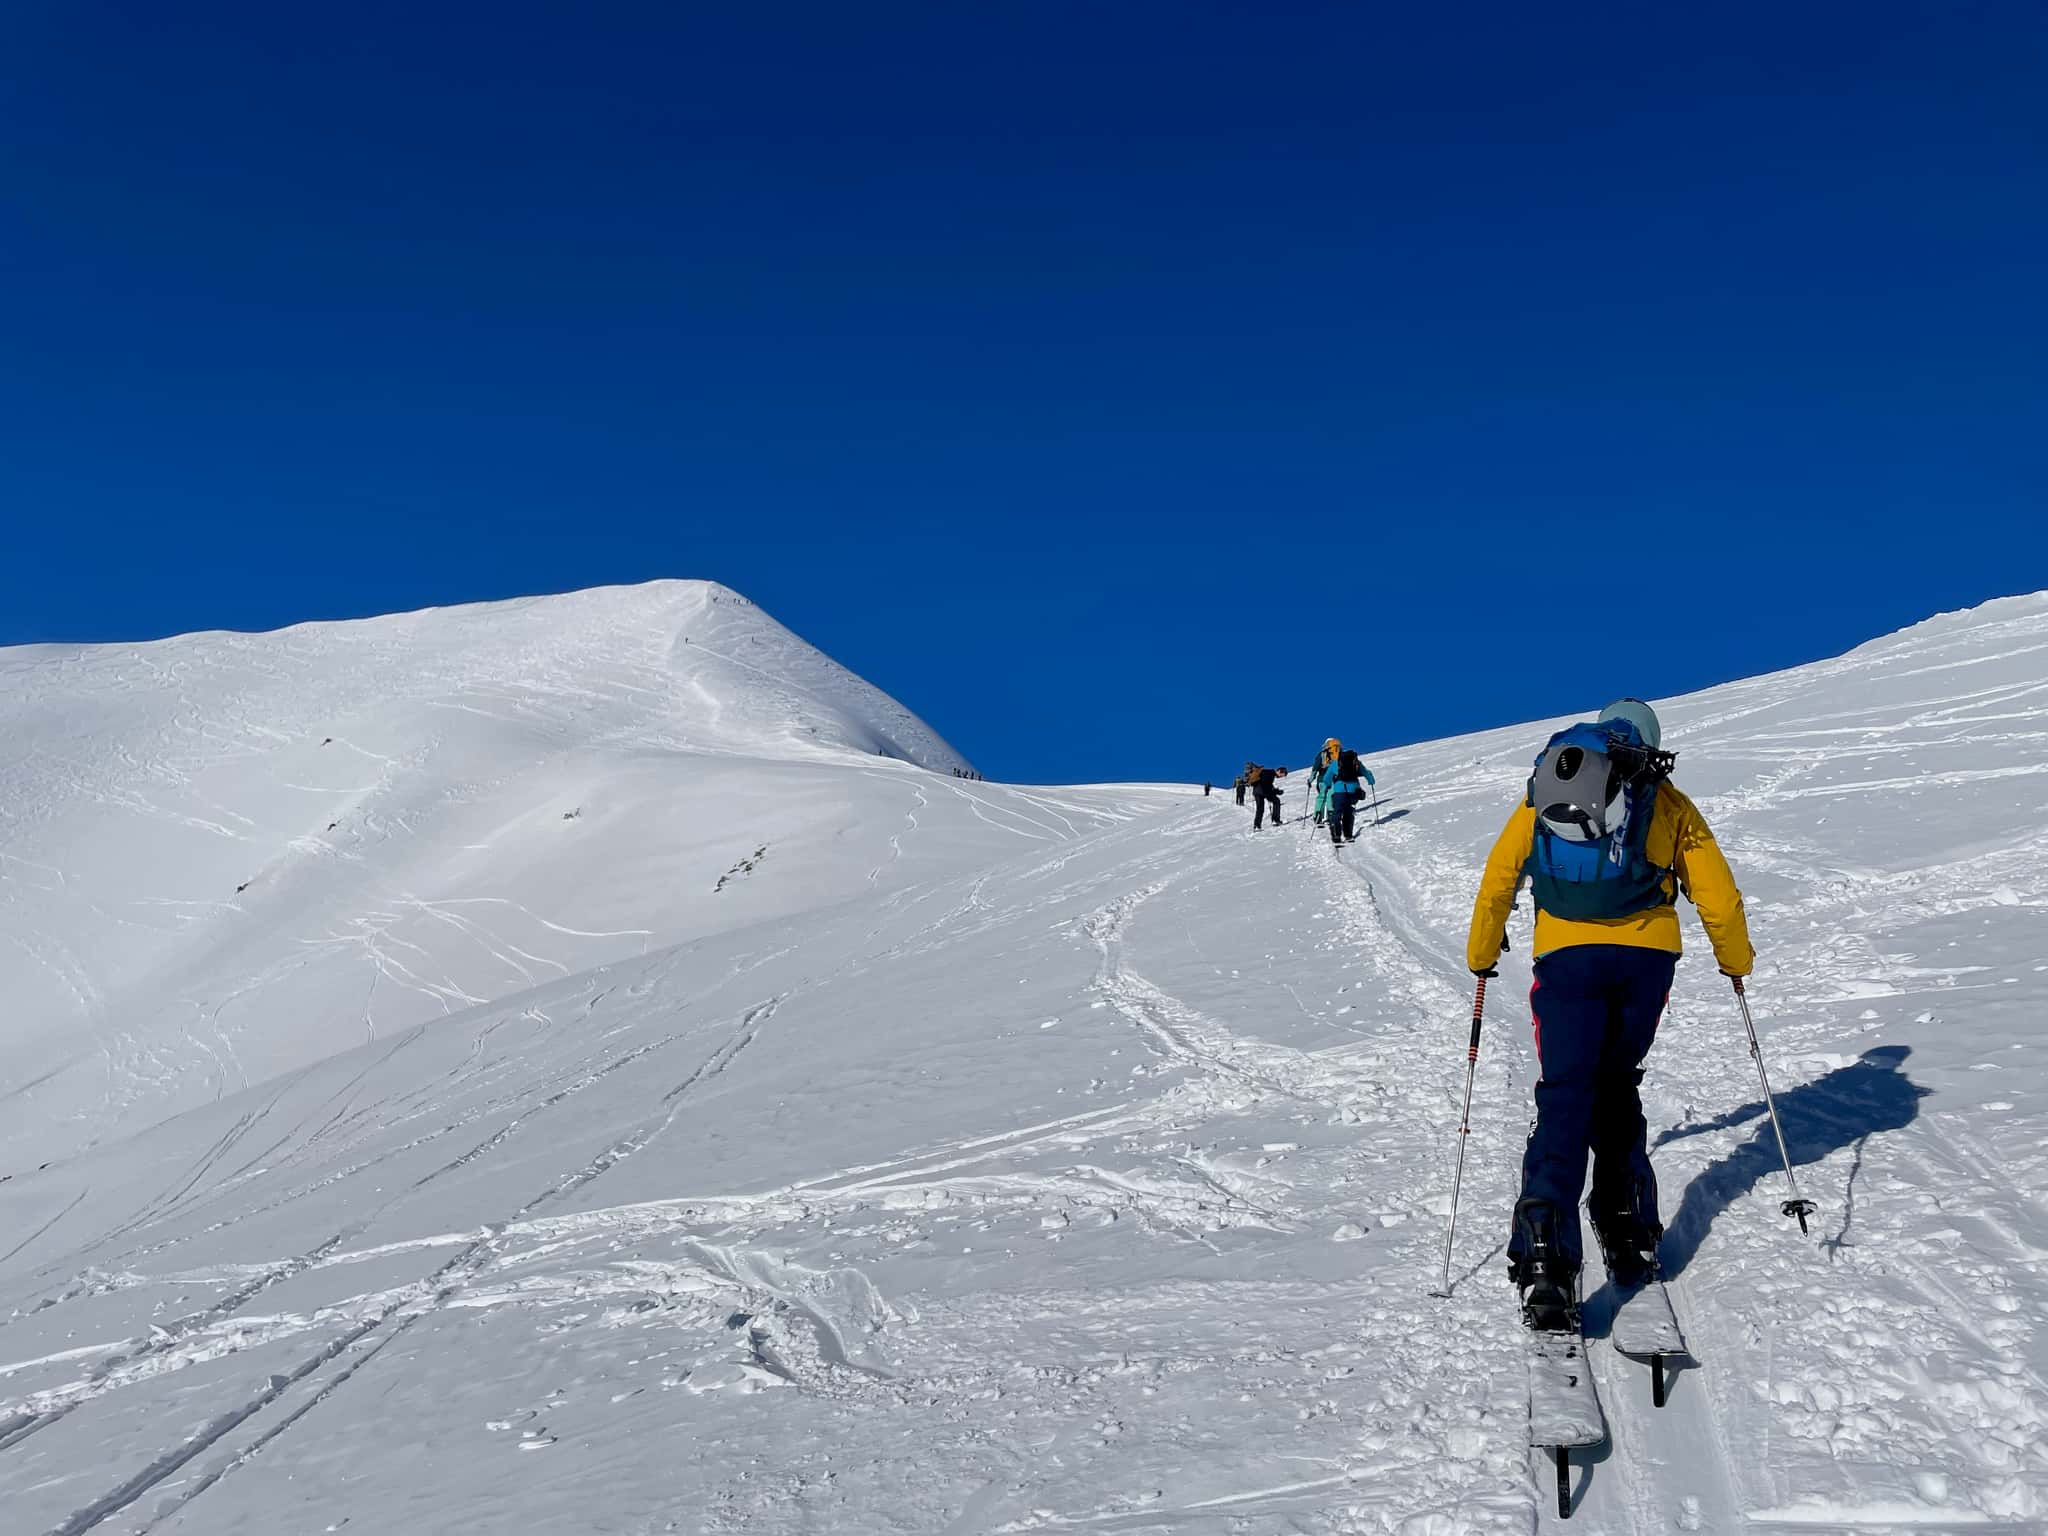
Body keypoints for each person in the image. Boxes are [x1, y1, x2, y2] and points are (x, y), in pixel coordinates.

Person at [1464, 698, 1754, 1331]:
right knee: (1617, 1082)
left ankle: (1545, 1248)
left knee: (1567, 1092)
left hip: (1566, 957)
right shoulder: (1666, 800)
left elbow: (1500, 874)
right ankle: (1625, 1225)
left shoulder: (1552, 782)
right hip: (1646, 962)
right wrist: (1736, 962)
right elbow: (1719, 896)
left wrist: (1482, 954)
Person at [1319, 747, 1374, 843]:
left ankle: (1337, 836)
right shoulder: (1356, 762)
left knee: (1337, 813)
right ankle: (1348, 835)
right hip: (1354, 791)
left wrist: (1328, 785)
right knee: (1349, 813)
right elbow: (1366, 772)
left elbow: (1326, 778)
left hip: (1339, 791)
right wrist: (1371, 781)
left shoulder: (1335, 763)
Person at [1310, 738, 1340, 824]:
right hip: (1333, 778)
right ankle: (1331, 814)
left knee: (1322, 796)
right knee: (1331, 795)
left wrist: (1310, 780)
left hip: (1322, 779)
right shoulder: (1337, 754)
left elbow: (1315, 768)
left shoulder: (1321, 755)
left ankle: (1318, 815)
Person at [1249, 764, 1287, 829]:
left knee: (1260, 809)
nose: (1280, 777)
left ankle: (1257, 826)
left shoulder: (1268, 772)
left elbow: (1268, 785)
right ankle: (1275, 820)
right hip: (1263, 791)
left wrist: (1275, 791)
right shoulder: (1271, 774)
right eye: (1281, 775)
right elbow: (1267, 786)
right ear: (1279, 771)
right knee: (1276, 801)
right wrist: (1276, 792)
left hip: (1256, 791)